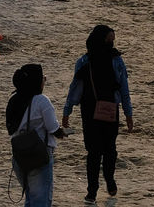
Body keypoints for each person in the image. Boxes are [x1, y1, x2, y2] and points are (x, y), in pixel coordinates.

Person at [62, 25, 134, 203]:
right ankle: (101, 185)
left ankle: (96, 189)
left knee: (98, 151)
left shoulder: (85, 61)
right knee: (105, 150)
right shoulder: (115, 60)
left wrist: (67, 111)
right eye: (109, 39)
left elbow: (74, 89)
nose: (112, 43)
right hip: (108, 111)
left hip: (91, 111)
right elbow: (124, 89)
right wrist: (128, 113)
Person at [6, 63, 66, 207]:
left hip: (20, 157)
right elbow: (53, 127)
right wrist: (61, 132)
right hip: (38, 156)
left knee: (30, 199)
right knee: (41, 200)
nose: (44, 82)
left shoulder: (14, 100)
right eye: (43, 79)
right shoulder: (41, 100)